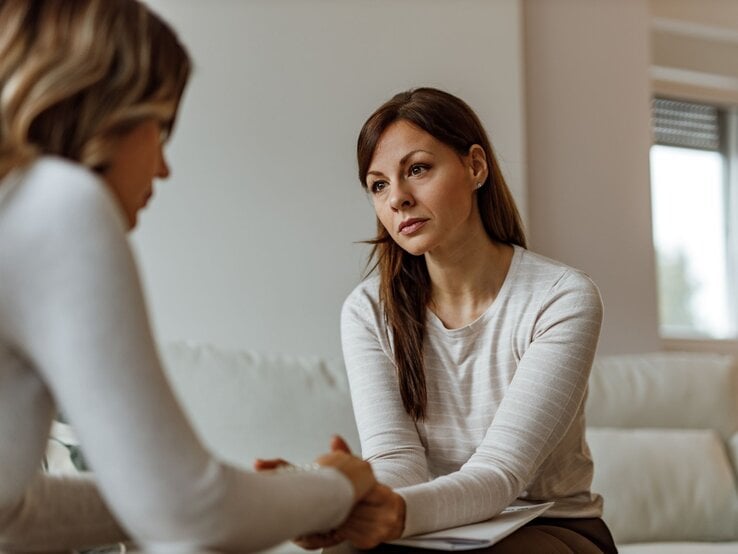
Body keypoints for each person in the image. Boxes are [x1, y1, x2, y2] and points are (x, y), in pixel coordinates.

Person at [0, 1, 374, 552]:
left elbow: (13, 517)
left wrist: (262, 497)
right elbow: (192, 513)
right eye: (160, 127)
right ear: (111, 108)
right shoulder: (57, 203)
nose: (163, 167)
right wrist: (343, 484)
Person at [334, 87, 618, 552]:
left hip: (552, 527)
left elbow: (501, 474)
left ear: (475, 167)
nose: (398, 199)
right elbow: (397, 461)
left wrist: (398, 514)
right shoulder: (368, 311)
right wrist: (358, 507)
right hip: (431, 525)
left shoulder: (561, 298)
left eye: (418, 169)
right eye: (379, 185)